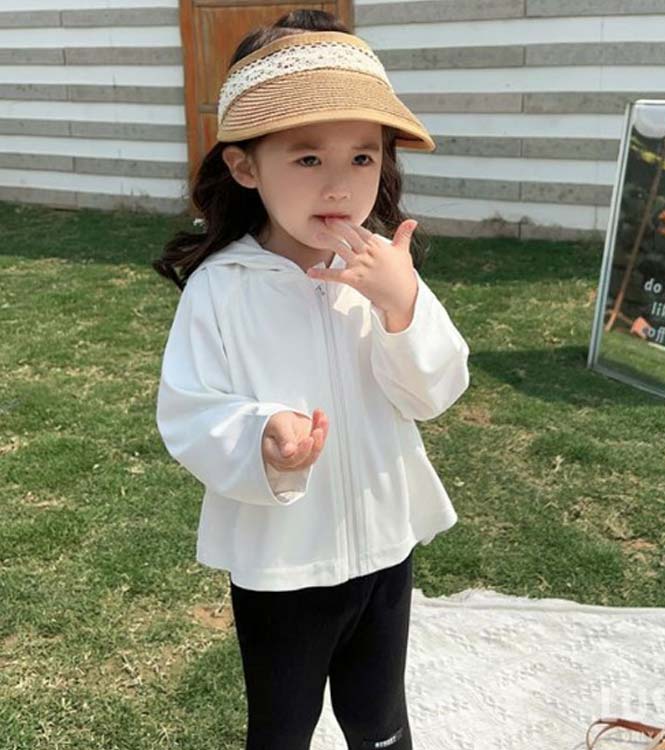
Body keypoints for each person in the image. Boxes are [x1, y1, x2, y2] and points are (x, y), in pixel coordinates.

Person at [152, 9, 470, 750]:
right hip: (281, 559)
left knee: (380, 722)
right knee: (282, 728)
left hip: (386, 542)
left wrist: (401, 307)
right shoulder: (223, 288)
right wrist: (262, 436)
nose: (338, 185)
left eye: (362, 157)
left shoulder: (383, 273)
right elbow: (189, 410)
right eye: (306, 159)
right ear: (245, 167)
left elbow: (433, 392)